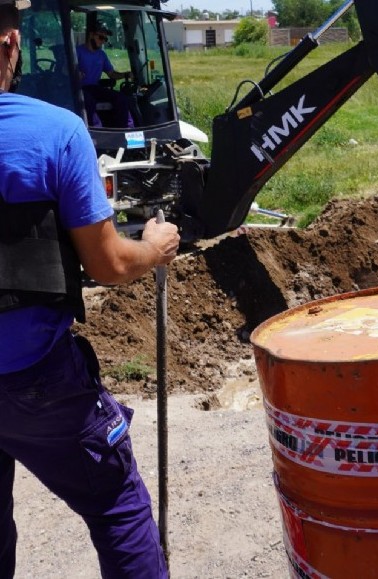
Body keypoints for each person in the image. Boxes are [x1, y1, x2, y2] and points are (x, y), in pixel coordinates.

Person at [0, 1, 178, 577]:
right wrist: (154, 246)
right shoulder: (54, 131)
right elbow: (107, 265)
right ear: (10, 44)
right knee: (117, 508)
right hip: (36, 376)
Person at [77, 22, 134, 128]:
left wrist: (125, 74)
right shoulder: (78, 51)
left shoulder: (101, 55)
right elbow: (64, 70)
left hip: (95, 88)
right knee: (88, 101)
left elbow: (111, 74)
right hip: (79, 89)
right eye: (100, 37)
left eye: (105, 39)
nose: (102, 41)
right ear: (91, 35)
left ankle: (124, 130)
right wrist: (75, 73)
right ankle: (96, 130)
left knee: (121, 98)